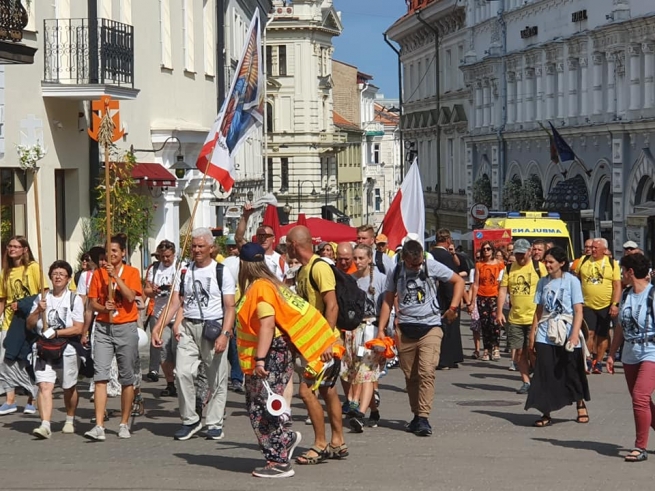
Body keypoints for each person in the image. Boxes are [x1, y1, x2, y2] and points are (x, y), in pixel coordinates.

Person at [236, 242, 338, 478]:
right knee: (267, 402)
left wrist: (260, 360)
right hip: (276, 351)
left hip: (269, 353)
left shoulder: (260, 288)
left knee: (263, 406)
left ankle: (279, 461)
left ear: (243, 264)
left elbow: (267, 323)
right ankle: (285, 439)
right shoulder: (271, 284)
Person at [152, 227, 236, 441]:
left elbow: (230, 306)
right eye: (194, 246)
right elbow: (175, 301)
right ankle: (190, 419)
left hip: (213, 327)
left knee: (216, 377)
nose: (197, 250)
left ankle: (214, 422)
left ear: (211, 248)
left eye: (201, 246)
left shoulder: (221, 270)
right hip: (188, 326)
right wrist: (159, 326)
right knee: (182, 373)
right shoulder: (184, 270)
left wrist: (225, 334)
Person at [377, 239, 464, 436]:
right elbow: (388, 300)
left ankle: (424, 417)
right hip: (406, 327)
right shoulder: (396, 270)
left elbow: (458, 281)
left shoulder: (431, 266)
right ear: (404, 258)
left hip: (430, 326)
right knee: (411, 376)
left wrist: (453, 307)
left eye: (418, 264)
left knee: (427, 371)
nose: (416, 267)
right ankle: (416, 415)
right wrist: (382, 329)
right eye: (412, 264)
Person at [286, 225, 347, 463]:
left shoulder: (320, 267)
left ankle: (320, 444)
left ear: (294, 244)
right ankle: (338, 441)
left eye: (287, 244)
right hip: (312, 342)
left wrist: (328, 342)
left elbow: (332, 305)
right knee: (328, 391)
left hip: (324, 343)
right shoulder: (302, 271)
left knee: (306, 391)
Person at [85, 235, 143, 440]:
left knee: (127, 377)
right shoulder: (97, 274)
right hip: (103, 327)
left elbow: (130, 297)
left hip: (126, 327)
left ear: (123, 253)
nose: (111, 255)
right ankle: (99, 425)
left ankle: (124, 423)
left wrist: (116, 277)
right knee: (100, 376)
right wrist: (104, 307)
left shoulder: (132, 272)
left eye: (115, 251)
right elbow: (93, 303)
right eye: (108, 251)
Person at [526, 246, 590, 427]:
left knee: (571, 370)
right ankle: (545, 410)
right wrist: (533, 334)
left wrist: (574, 335)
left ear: (561, 263)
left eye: (551, 262)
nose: (547, 265)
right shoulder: (542, 282)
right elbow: (538, 311)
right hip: (545, 332)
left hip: (566, 330)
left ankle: (580, 403)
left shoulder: (572, 281)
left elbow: (578, 310)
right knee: (544, 372)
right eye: (545, 262)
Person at [27, 260, 85, 439]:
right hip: (44, 347)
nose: (58, 277)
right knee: (44, 386)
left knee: (69, 387)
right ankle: (45, 424)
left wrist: (57, 332)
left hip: (66, 346)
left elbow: (78, 328)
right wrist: (38, 310)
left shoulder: (74, 299)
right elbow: (30, 325)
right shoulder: (42, 297)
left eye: (62, 274)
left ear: (68, 278)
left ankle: (69, 418)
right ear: (50, 276)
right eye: (55, 273)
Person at [607, 252, 655, 462]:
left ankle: (640, 447)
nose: (621, 275)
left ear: (630, 272)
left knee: (640, 397)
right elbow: (620, 328)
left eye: (622, 271)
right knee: (642, 402)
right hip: (630, 353)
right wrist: (611, 354)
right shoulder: (625, 296)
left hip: (651, 351)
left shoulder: (652, 295)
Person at [344, 244, 386, 432]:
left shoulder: (381, 280)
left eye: (361, 258)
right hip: (354, 332)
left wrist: (385, 333)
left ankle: (359, 414)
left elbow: (389, 307)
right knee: (355, 373)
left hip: (372, 331)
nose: (357, 262)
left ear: (370, 258)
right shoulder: (350, 280)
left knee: (367, 373)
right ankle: (374, 409)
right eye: (356, 258)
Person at [497, 239, 547, 394]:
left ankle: (540, 379)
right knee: (519, 352)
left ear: (529, 251)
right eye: (516, 254)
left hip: (535, 318)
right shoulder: (510, 268)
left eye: (522, 254)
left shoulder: (539, 268)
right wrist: (499, 312)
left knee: (533, 350)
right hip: (515, 318)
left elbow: (548, 288)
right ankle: (526, 382)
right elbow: (503, 290)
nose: (519, 257)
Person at [0, 235, 41, 415]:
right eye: (10, 246)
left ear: (25, 249)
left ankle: (32, 397)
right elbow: (2, 299)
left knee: (26, 358)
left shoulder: (33, 268)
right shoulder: (5, 272)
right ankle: (10, 399)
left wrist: (26, 305)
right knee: (5, 359)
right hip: (9, 320)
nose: (12, 249)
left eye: (16, 246)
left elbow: (43, 293)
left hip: (29, 319)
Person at [574, 237, 620, 374]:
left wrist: (615, 304)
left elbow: (617, 286)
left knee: (602, 335)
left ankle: (598, 361)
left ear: (604, 250)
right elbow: (575, 280)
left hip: (605, 305)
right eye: (591, 247)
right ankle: (588, 359)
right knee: (589, 333)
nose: (592, 250)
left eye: (596, 248)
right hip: (587, 304)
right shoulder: (583, 261)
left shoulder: (612, 264)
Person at [144, 240, 178, 397]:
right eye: (162, 257)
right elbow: (147, 290)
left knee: (178, 350)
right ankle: (170, 383)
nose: (165, 260)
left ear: (173, 253)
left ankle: (182, 382)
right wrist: (154, 291)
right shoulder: (154, 268)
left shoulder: (180, 267)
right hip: (159, 314)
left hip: (178, 315)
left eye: (168, 256)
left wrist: (174, 288)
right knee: (163, 351)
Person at [430, 229, 465, 370]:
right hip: (446, 298)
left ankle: (450, 357)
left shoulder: (431, 255)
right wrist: (454, 301)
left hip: (434, 298)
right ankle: (446, 359)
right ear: (448, 241)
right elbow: (450, 280)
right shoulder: (444, 256)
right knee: (448, 328)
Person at [469, 240, 505, 361]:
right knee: (485, 324)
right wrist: (473, 301)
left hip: (495, 295)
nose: (486, 251)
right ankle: (486, 349)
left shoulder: (500, 264)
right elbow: (475, 284)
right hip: (482, 296)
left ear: (492, 250)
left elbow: (503, 282)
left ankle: (496, 347)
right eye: (484, 249)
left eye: (488, 249)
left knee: (494, 322)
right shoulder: (479, 264)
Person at [236, 204, 287, 281]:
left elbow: (286, 283)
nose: (263, 238)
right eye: (260, 236)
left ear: (273, 239)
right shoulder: (251, 253)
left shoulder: (281, 260)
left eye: (267, 236)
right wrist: (245, 215)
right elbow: (238, 238)